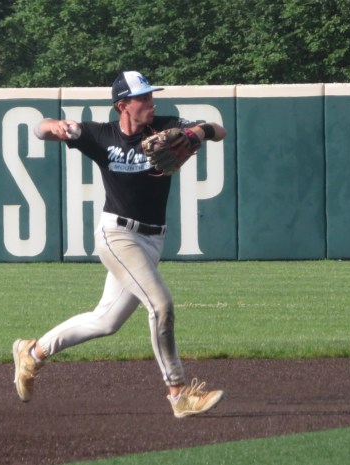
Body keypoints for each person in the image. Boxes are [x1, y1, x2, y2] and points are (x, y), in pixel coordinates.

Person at [12, 71, 227, 418]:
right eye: (142, 97)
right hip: (117, 235)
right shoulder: (100, 135)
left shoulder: (167, 124)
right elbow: (41, 128)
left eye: (150, 95)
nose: (150, 101)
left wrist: (196, 132)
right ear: (122, 105)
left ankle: (32, 352)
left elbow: (218, 129)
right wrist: (53, 126)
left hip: (153, 239)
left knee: (105, 321)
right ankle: (179, 394)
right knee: (161, 306)